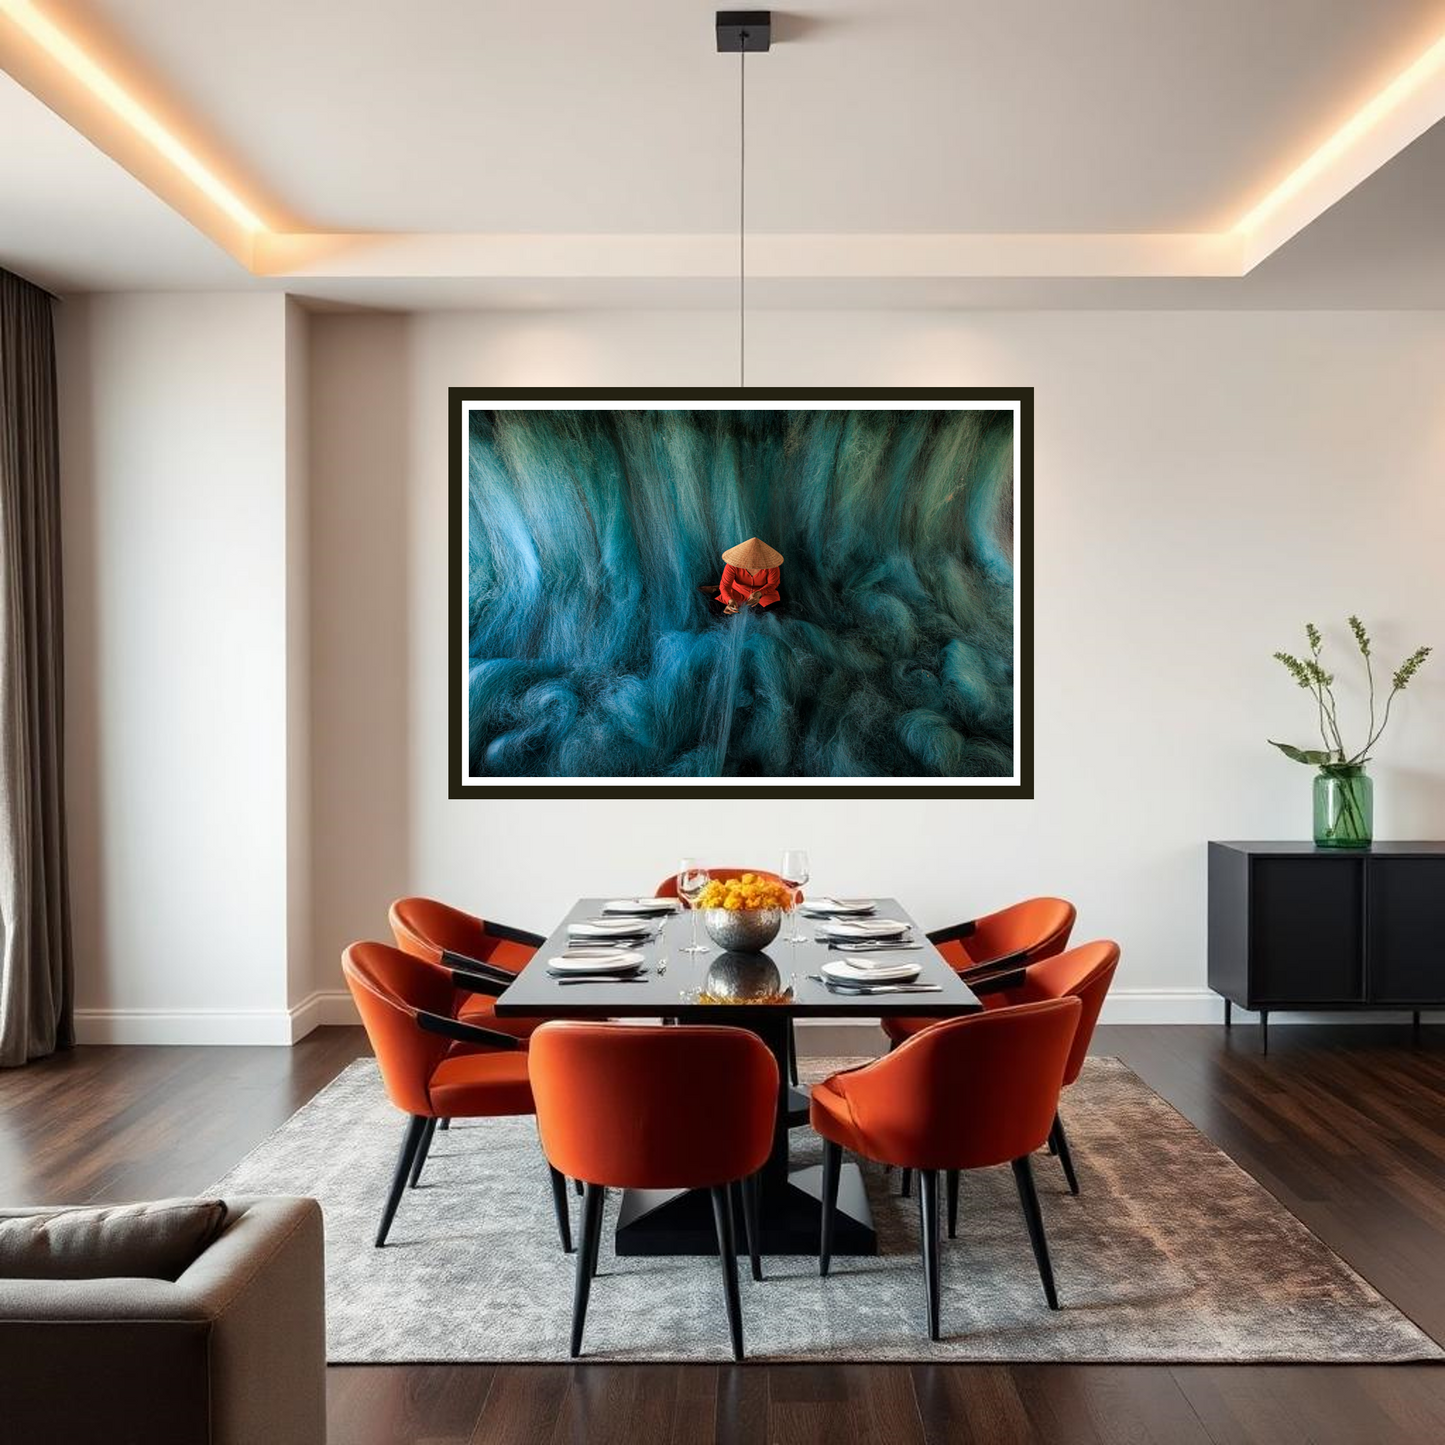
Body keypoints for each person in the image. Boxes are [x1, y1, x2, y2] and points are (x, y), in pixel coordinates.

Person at [711, 537, 783, 615]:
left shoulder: (771, 566)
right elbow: (725, 585)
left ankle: (716, 588)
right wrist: (730, 600)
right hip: (737, 592)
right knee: (715, 609)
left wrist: (758, 593)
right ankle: (716, 590)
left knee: (776, 612)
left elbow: (773, 584)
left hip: (762, 593)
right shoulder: (732, 566)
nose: (753, 563)